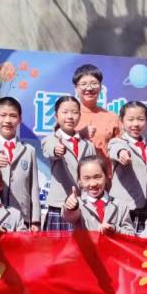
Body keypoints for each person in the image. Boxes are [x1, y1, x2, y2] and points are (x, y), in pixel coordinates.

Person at [0, 96, 41, 229]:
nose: (7, 120)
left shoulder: (28, 150)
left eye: (13, 116)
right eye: (3, 115)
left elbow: (33, 187)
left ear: (20, 119)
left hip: (21, 217)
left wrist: (35, 220)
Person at [41, 95, 96, 232]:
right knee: (58, 246)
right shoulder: (52, 139)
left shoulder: (87, 144)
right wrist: (56, 150)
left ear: (80, 115)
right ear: (56, 116)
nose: (70, 117)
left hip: (84, 206)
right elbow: (49, 149)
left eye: (75, 112)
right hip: (60, 205)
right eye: (65, 112)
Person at [108, 101, 147, 231]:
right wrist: (122, 153)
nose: (135, 124)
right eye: (130, 120)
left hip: (146, 211)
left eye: (140, 119)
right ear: (121, 121)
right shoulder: (117, 142)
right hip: (124, 210)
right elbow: (115, 149)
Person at [63, 156, 137, 235]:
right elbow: (69, 216)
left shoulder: (121, 206)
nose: (93, 184)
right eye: (86, 178)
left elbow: (131, 234)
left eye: (97, 177)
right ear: (79, 181)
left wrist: (115, 229)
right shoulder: (78, 204)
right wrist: (71, 208)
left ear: (107, 177)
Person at [73, 63, 123, 157]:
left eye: (94, 83)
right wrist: (80, 134)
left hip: (105, 166)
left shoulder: (112, 117)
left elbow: (121, 145)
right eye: (83, 84)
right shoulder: (68, 116)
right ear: (76, 88)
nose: (89, 88)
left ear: (100, 87)